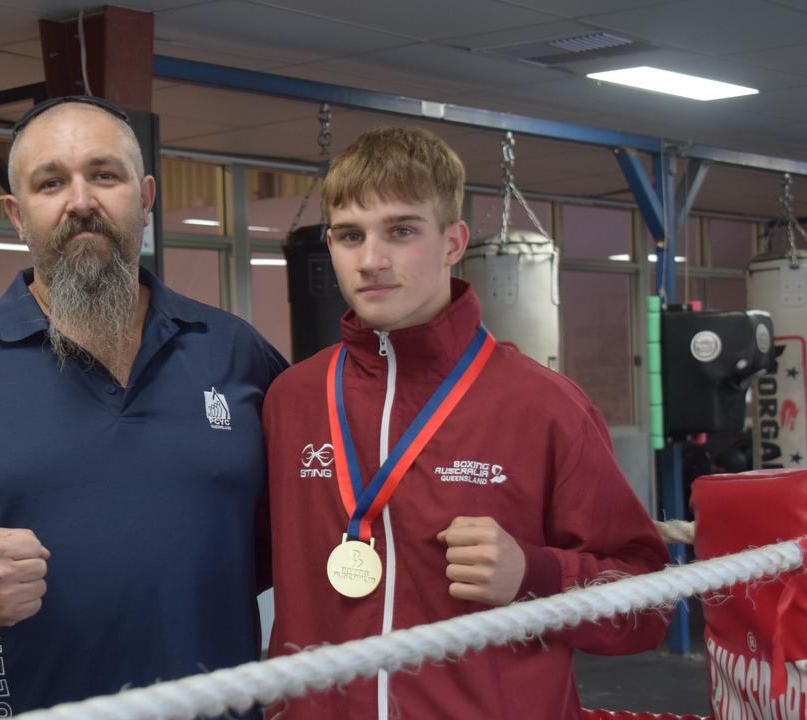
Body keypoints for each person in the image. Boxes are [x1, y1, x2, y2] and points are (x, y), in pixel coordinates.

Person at [0, 96, 286, 719]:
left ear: (145, 197)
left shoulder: (237, 354)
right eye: (51, 182)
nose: (81, 201)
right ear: (17, 215)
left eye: (104, 174)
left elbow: (322, 517)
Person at [262, 126, 669, 719]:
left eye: (401, 231)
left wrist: (537, 574)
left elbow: (649, 608)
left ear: (453, 241)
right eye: (352, 235)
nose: (372, 260)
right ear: (329, 245)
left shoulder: (543, 406)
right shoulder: (291, 399)